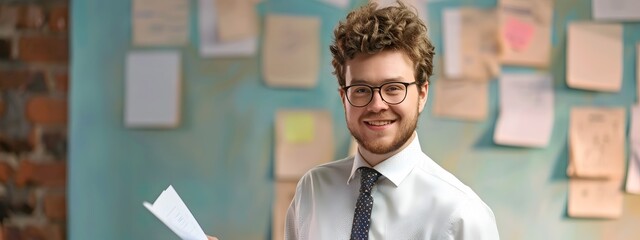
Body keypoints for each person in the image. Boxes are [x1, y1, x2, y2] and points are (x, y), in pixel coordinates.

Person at [284, 1, 500, 239]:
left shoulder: (462, 215)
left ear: (422, 94)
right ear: (343, 96)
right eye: (361, 89)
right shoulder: (313, 190)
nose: (377, 105)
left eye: (394, 88)